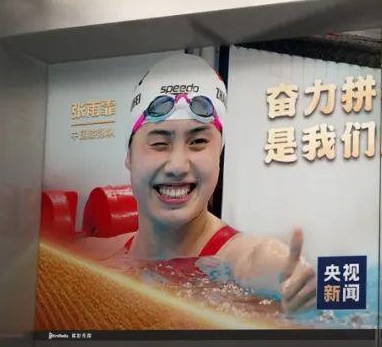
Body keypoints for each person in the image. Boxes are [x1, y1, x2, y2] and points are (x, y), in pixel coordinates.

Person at [80, 53, 316, 313]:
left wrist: (287, 282)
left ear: (219, 156)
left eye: (198, 142)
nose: (177, 166)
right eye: (159, 143)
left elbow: (265, 265)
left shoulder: (245, 261)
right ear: (129, 155)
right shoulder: (89, 256)